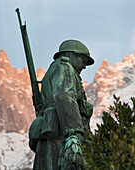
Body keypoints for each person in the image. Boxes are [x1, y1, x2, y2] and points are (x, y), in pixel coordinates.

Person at [29, 40, 94, 170]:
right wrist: (74, 133)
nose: (84, 66)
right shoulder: (65, 68)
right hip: (62, 136)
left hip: (56, 135)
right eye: (83, 60)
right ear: (71, 55)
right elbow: (64, 97)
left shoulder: (57, 69)